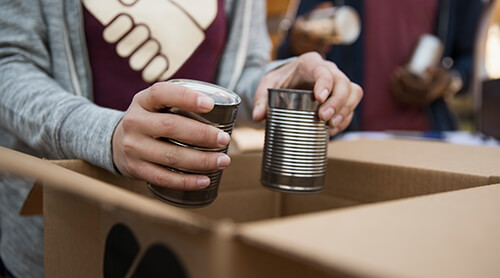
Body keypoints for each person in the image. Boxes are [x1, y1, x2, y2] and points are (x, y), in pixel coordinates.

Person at [0, 0, 362, 277]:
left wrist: (283, 78)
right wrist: (107, 135)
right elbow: (8, 63)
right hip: (59, 226)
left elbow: (240, 75)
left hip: (190, 230)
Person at [277, 0, 484, 131]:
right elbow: (287, 55)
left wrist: (449, 81)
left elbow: (468, 59)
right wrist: (299, 42)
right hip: (348, 138)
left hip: (427, 137)